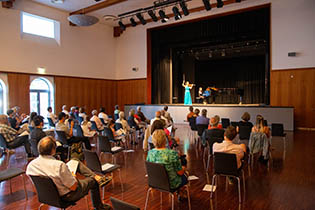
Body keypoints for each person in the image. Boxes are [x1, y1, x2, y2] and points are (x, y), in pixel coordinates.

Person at [26, 137, 112, 210]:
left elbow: (40, 183)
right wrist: (72, 176)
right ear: (53, 150)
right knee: (93, 181)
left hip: (46, 196)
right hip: (67, 195)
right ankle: (99, 206)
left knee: (74, 161)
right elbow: (73, 187)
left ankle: (97, 177)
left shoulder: (31, 166)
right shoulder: (59, 165)